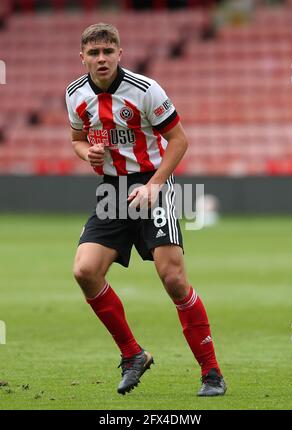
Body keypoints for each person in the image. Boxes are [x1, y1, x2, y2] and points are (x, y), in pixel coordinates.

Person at [65, 23, 226, 397]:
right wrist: (84, 152)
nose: (101, 58)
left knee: (173, 280)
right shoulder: (75, 95)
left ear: (120, 53)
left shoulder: (145, 90)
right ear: (83, 57)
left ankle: (212, 373)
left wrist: (154, 187)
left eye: (108, 51)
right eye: (94, 53)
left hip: (153, 183)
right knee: (84, 271)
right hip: (112, 192)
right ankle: (133, 355)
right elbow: (76, 139)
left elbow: (179, 140)